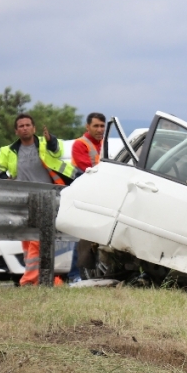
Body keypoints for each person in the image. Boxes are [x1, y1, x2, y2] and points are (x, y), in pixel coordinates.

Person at [0, 114, 80, 285]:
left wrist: (51, 139)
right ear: (16, 131)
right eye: (21, 126)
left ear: (34, 128)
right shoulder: (8, 151)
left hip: (47, 198)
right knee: (28, 241)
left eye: (28, 125)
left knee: (39, 239)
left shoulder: (45, 143)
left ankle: (29, 280)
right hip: (23, 200)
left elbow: (58, 149)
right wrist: (5, 180)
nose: (25, 128)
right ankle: (44, 279)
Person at [68, 112, 106, 283]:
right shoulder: (80, 144)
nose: (100, 129)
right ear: (88, 126)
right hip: (84, 196)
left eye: (102, 125)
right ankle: (74, 274)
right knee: (82, 236)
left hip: (99, 195)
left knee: (95, 237)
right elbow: (87, 168)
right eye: (96, 126)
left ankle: (92, 273)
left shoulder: (103, 145)